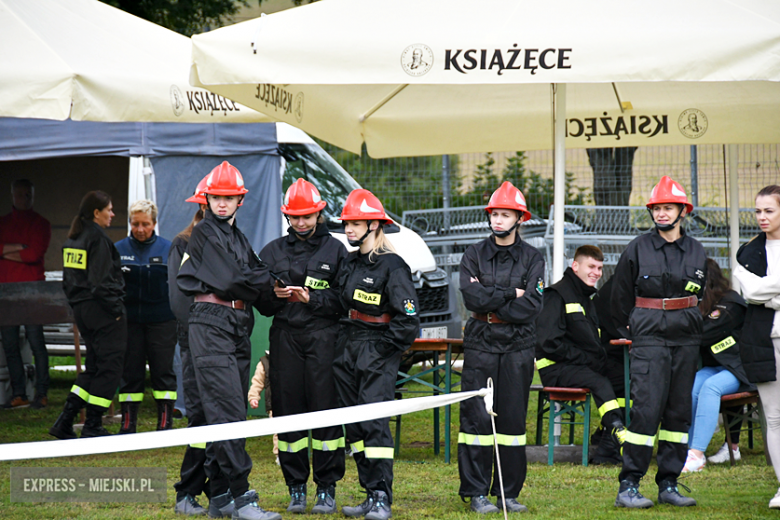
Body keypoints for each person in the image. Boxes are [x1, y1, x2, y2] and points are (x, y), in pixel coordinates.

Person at [292, 188, 420, 520]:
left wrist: (381, 351)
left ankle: (381, 497)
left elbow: (408, 322)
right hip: (347, 347)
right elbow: (337, 301)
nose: (348, 230)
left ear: (374, 225)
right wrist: (309, 298)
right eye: (346, 223)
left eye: (355, 224)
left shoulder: (393, 266)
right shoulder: (350, 262)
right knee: (355, 426)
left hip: (376, 350)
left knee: (375, 424)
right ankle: (368, 491)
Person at [177, 162, 280, 520]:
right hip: (211, 323)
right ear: (207, 200)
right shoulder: (205, 231)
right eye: (216, 197)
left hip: (237, 324)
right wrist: (262, 281)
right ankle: (243, 498)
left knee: (223, 412)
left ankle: (219, 495)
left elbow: (255, 276)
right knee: (227, 413)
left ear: (240, 201)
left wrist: (271, 285)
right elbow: (235, 278)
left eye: (228, 198)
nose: (222, 203)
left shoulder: (238, 236)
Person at [611, 175, 706, 508]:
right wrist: (637, 329)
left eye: (668, 207)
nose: (662, 213)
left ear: (682, 211)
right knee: (646, 412)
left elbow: (704, 293)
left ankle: (669, 482)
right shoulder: (637, 247)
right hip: (649, 339)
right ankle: (629, 485)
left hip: (686, 339)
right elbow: (619, 297)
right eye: (657, 208)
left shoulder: (696, 249)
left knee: (678, 414)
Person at [255, 178, 347, 514]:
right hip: (285, 339)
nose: (301, 223)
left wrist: (314, 298)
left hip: (324, 337)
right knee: (287, 410)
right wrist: (271, 296)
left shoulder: (336, 250)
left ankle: (326, 487)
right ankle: (296, 487)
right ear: (287, 217)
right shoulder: (273, 251)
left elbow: (344, 299)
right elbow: (260, 300)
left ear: (319, 213)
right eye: (295, 217)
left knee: (326, 411)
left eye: (307, 216)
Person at [457, 181, 544, 515]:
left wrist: (492, 294)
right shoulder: (473, 254)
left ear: (519, 218)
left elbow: (533, 306)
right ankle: (476, 491)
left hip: (519, 345)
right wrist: (512, 293)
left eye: (505, 214)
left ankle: (508, 493)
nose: (498, 220)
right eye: (494, 213)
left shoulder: (533, 257)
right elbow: (471, 297)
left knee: (511, 422)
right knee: (476, 420)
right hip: (481, 341)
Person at [536, 245, 627, 463]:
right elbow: (548, 343)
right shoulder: (556, 296)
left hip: (580, 366)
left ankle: (606, 442)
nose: (596, 272)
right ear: (575, 266)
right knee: (600, 381)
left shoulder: (587, 298)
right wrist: (587, 359)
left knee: (626, 379)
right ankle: (618, 431)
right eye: (591, 266)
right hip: (555, 369)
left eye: (600, 268)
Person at [49, 190, 126, 439]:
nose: (112, 214)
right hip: (102, 311)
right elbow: (101, 282)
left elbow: (69, 281)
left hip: (82, 311)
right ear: (96, 212)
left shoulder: (74, 238)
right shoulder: (98, 239)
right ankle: (93, 424)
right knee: (109, 368)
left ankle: (65, 420)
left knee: (93, 366)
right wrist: (116, 312)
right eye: (109, 209)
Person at [734, 184, 780, 509]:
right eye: (758, 211)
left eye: (769, 211)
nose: (761, 217)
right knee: (775, 418)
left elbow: (761, 292)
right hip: (762, 341)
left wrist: (768, 294)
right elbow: (750, 294)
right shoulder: (747, 252)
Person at [682, 258, 751, 473]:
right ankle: (689, 451)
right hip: (715, 367)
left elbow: (703, 334)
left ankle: (697, 454)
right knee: (693, 385)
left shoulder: (730, 303)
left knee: (710, 387)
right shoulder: (703, 303)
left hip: (739, 369)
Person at [115, 200, 177, 433]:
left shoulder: (168, 248)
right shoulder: (118, 249)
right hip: (129, 322)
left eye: (145, 224)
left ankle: (165, 422)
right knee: (130, 372)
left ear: (154, 223)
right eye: (135, 224)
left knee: (163, 370)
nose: (140, 229)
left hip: (162, 321)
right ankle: (128, 423)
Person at [0, 179, 51, 409]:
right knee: (10, 345)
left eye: (28, 195)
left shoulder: (42, 223)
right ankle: (18, 393)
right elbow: (28, 253)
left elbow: (34, 255)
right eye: (20, 195)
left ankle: (41, 393)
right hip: (7, 291)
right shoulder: (3, 223)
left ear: (33, 196)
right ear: (12, 196)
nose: (24, 199)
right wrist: (20, 247)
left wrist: (4, 252)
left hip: (32, 290)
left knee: (36, 343)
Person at [247, 352, 279, 464]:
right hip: (274, 403)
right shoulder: (264, 362)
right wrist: (253, 397)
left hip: (294, 401)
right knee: (278, 430)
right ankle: (279, 454)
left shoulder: (294, 357)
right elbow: (257, 382)